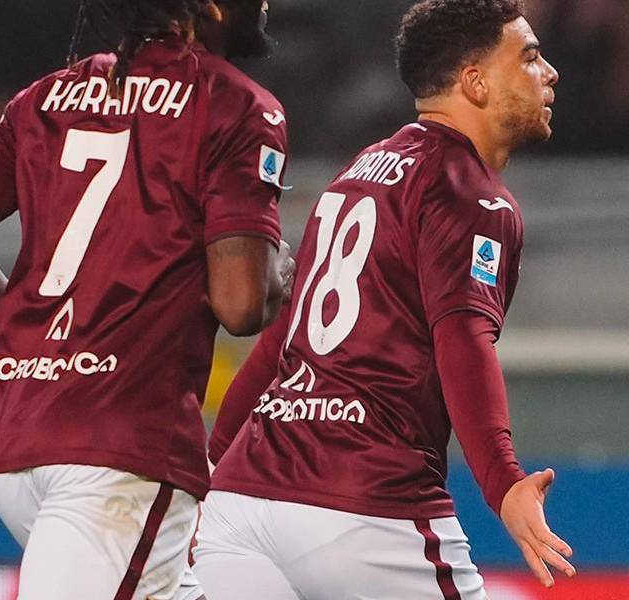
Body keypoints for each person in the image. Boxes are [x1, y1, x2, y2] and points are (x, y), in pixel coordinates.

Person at [0, 0, 293, 598]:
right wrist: (278, 279)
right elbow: (240, 305)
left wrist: (41, 327)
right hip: (118, 455)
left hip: (21, 442)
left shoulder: (46, 97)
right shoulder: (235, 104)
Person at [194, 1, 572, 598]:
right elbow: (463, 343)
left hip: (243, 503)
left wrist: (214, 465)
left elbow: (282, 342)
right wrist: (504, 484)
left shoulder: (359, 172)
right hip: (367, 505)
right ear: (475, 82)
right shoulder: (471, 196)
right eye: (528, 57)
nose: (548, 72)